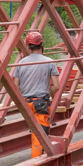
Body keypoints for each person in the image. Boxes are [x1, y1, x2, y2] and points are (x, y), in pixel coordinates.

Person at [12, 30, 59, 158]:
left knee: (34, 131)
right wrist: (51, 94)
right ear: (41, 44)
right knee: (40, 135)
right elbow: (57, 86)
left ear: (28, 46)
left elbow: (14, 85)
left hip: (26, 104)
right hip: (41, 103)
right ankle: (36, 163)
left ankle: (38, 159)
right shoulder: (49, 61)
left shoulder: (21, 63)